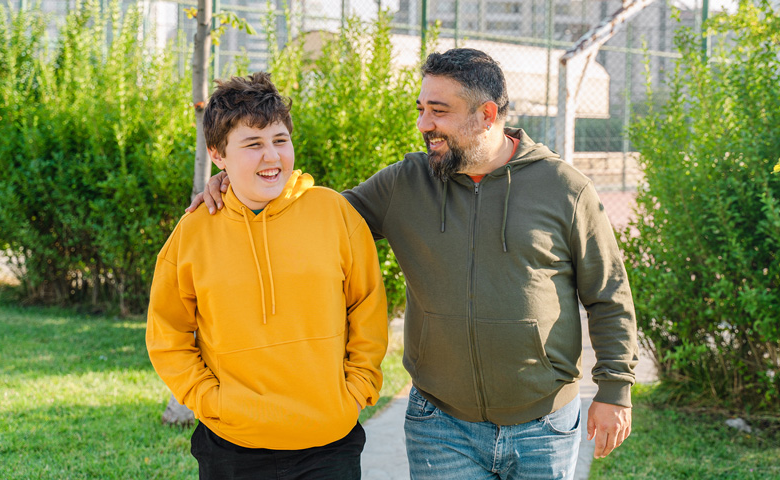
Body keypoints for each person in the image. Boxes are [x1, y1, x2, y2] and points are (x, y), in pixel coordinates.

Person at [190, 49, 638, 479]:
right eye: (421, 109)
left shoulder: (564, 188)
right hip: (441, 425)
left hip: (545, 422)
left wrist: (615, 389)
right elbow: (315, 222)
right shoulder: (406, 182)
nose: (425, 125)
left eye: (438, 111)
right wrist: (236, 183)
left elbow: (608, 294)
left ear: (486, 115)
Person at [147, 72, 389, 480]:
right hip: (232, 445)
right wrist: (208, 399)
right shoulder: (194, 232)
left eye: (280, 140)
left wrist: (357, 386)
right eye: (253, 144)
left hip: (329, 441)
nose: (272, 157)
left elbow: (367, 305)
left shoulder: (333, 213)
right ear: (218, 154)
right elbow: (167, 333)